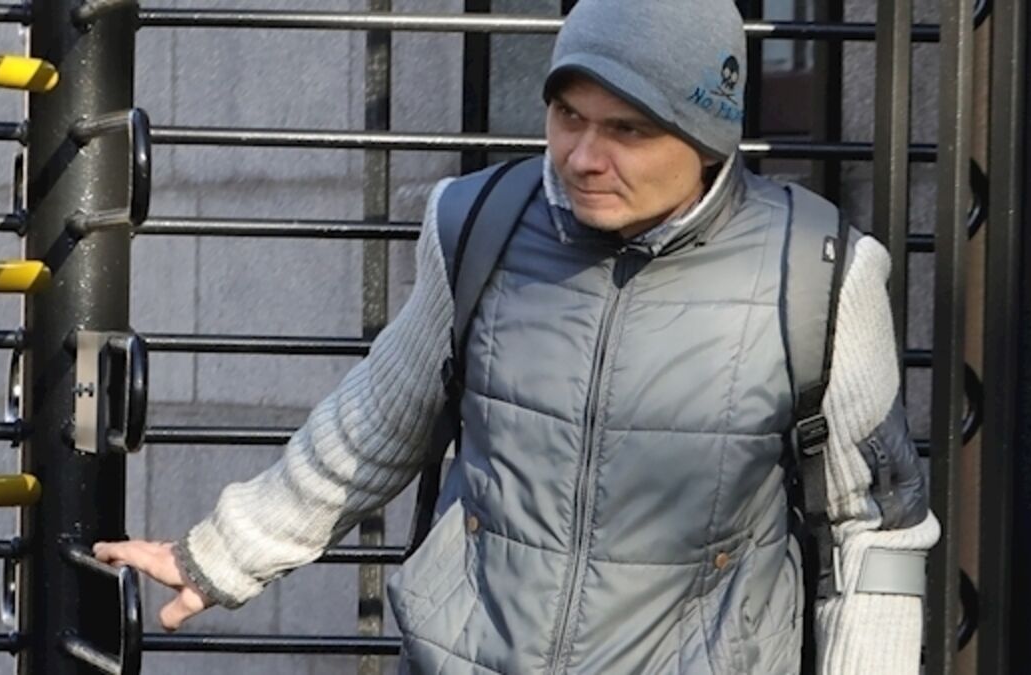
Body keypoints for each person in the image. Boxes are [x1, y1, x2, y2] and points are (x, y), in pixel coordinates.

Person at [96, 1, 938, 672]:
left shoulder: (820, 272)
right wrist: (222, 553)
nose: (583, 155)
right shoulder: (476, 225)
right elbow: (377, 421)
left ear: (707, 134)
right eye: (569, 115)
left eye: (628, 129)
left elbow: (876, 533)